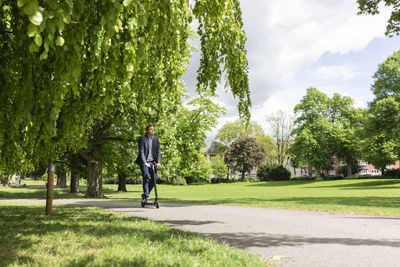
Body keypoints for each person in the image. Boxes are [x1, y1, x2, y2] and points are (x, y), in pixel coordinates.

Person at [136, 124, 161, 203]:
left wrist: (158, 162)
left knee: (155, 178)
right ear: (147, 131)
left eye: (153, 129)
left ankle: (145, 194)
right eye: (150, 129)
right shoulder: (142, 139)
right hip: (144, 161)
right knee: (146, 176)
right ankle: (147, 197)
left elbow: (158, 152)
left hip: (152, 161)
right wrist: (144, 163)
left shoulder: (156, 139)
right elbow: (141, 151)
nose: (152, 130)